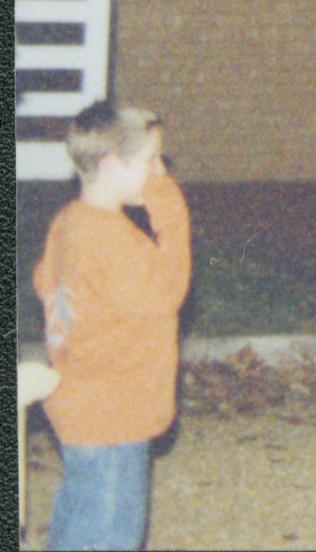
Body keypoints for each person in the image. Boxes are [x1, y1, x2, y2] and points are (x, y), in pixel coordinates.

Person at [30, 101, 192, 551]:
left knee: (80, 516)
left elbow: (46, 278)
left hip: (81, 400)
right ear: (110, 164)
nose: (160, 171)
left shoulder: (69, 222)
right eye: (149, 160)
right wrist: (172, 214)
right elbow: (166, 294)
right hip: (112, 413)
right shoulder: (112, 238)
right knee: (110, 532)